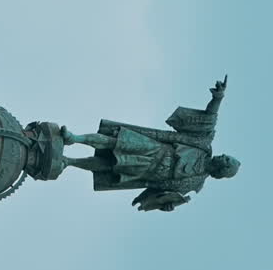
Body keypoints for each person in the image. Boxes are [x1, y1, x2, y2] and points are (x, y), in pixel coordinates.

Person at [60, 77, 239, 212]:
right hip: (156, 149)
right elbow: (210, 119)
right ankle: (74, 138)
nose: (223, 156)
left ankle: (68, 162)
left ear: (222, 171)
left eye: (226, 160)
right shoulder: (204, 144)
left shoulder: (194, 184)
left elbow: (162, 193)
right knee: (114, 141)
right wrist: (218, 97)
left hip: (149, 171)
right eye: (226, 156)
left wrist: (163, 205)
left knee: (108, 165)